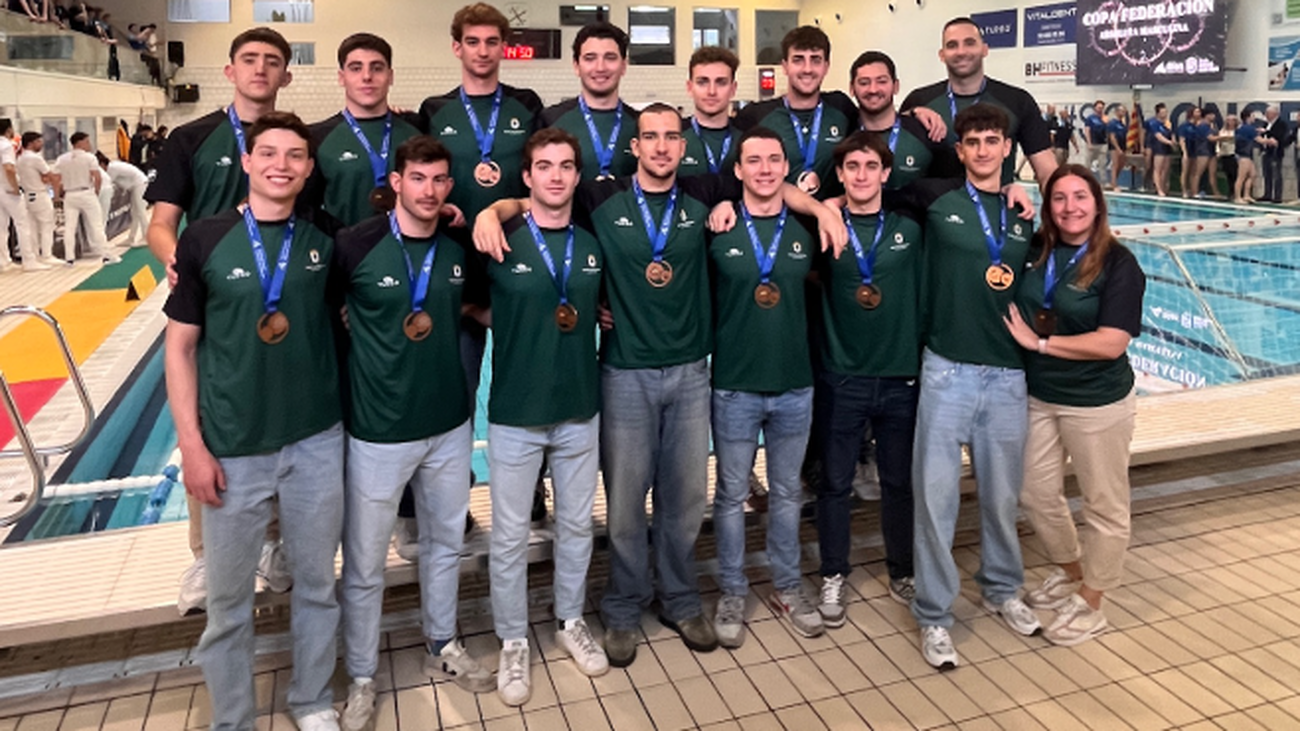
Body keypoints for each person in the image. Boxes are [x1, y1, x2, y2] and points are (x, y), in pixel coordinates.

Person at [474, 103, 845, 668]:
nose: (663, 146)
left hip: (693, 374)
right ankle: (623, 606)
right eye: (651, 137)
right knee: (624, 505)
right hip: (624, 373)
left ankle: (678, 598)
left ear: (683, 145)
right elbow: (545, 198)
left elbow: (772, 188)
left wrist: (821, 208)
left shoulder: (705, 194)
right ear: (636, 146)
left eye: (672, 136)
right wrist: (496, 208)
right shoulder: (603, 198)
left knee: (685, 500)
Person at [163, 111, 344, 731]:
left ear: (308, 168)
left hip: (317, 441)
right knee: (228, 603)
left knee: (318, 587)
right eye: (268, 153)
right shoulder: (205, 239)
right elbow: (180, 347)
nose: (281, 165)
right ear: (246, 160)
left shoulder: (324, 239)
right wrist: (191, 445)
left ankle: (313, 699)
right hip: (234, 445)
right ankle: (233, 719)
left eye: (295, 156)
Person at [334, 136, 494, 731]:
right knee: (366, 562)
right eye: (418, 179)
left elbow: (478, 309)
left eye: (440, 180)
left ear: (450, 187)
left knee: (445, 544)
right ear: (396, 183)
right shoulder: (355, 246)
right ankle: (361, 675)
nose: (429, 190)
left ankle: (443, 643)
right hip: (377, 432)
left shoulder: (456, 250)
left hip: (450, 425)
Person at [145, 27, 294, 615]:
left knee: (282, 420)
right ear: (230, 71)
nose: (261, 69)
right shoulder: (192, 138)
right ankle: (207, 555)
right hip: (216, 300)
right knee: (205, 420)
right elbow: (161, 223)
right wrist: (178, 263)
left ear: (286, 75)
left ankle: (274, 544)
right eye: (250, 60)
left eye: (273, 62)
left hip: (281, 305)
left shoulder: (292, 141)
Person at [478, 128, 609, 707]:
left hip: (580, 408)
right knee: (509, 537)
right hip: (514, 412)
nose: (555, 176)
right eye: (543, 167)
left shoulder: (591, 242)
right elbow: (463, 301)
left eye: (565, 166)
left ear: (576, 177)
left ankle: (570, 618)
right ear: (525, 178)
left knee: (577, 526)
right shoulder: (498, 239)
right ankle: (511, 639)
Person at [909, 104, 1039, 670]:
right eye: (974, 142)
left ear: (1007, 148)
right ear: (959, 151)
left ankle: (1003, 588)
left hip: (1008, 373)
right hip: (947, 370)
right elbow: (868, 192)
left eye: (993, 140)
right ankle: (935, 615)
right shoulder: (936, 199)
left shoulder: (1025, 215)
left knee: (1002, 497)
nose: (984, 149)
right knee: (935, 501)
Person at [419, 1, 547, 544]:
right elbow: (421, 176)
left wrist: (502, 208)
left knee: (528, 384)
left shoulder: (526, 104)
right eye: (472, 42)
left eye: (492, 42)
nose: (482, 51)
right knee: (456, 390)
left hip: (518, 266)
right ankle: (454, 498)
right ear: (457, 47)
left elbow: (541, 180)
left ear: (503, 47)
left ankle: (534, 487)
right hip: (455, 274)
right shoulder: (435, 109)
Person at [1004, 164, 1145, 646]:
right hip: (1041, 397)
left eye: (1079, 197)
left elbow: (1111, 343)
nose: (1070, 208)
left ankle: (1093, 600)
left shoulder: (1119, 263)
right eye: (1059, 199)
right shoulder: (1039, 251)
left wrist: (1040, 345)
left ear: (1097, 204)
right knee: (1034, 493)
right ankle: (1072, 571)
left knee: (1105, 506)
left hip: (1096, 402)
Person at [708, 126, 822, 646]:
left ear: (785, 167)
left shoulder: (806, 229)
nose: (765, 169)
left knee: (786, 493)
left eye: (774, 160)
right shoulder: (719, 228)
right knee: (731, 495)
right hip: (734, 383)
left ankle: (788, 585)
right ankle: (732, 588)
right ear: (738, 171)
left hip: (795, 384)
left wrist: (826, 210)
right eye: (753, 161)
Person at [813, 130, 926, 627]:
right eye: (851, 167)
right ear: (840, 175)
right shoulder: (822, 226)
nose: (861, 175)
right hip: (843, 377)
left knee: (899, 482)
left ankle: (902, 569)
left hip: (901, 376)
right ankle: (834, 573)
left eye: (870, 167)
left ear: (886, 173)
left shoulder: (910, 229)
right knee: (835, 484)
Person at [900, 17, 1056, 186]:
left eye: (969, 43)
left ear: (984, 49)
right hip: (932, 209)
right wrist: (908, 114)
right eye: (952, 45)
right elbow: (886, 151)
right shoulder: (919, 101)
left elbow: (1046, 172)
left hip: (996, 211)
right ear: (942, 55)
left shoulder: (1017, 101)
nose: (961, 52)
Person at [309, 33, 423, 227]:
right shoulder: (317, 137)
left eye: (377, 68)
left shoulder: (417, 129)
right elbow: (308, 209)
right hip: (342, 252)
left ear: (391, 76)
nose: (367, 76)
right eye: (356, 68)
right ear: (341, 77)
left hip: (409, 253)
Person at [733, 26, 857, 199]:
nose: (807, 69)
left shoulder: (842, 107)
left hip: (833, 220)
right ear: (784, 66)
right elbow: (734, 172)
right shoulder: (756, 115)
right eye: (798, 60)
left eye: (815, 60)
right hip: (777, 222)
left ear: (826, 67)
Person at [542, 21, 639, 182]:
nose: (600, 67)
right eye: (590, 58)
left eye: (610, 57)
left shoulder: (641, 124)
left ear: (623, 66)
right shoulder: (549, 120)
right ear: (576, 66)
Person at [849, 50, 946, 190]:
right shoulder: (845, 131)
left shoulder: (925, 133)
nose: (873, 89)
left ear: (896, 86)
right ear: (852, 88)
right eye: (864, 83)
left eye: (881, 81)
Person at [55, 132, 120, 266]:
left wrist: (57, 195)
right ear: (80, 143)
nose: (89, 144)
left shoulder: (62, 159)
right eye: (87, 141)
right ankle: (106, 255)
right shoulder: (89, 158)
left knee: (70, 227)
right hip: (86, 192)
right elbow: (97, 177)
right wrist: (95, 192)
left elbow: (56, 178)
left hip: (69, 195)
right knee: (96, 225)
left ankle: (69, 258)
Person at [679, 46, 739, 179]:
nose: (711, 91)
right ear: (689, 87)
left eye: (721, 83)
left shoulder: (747, 138)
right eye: (702, 82)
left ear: (733, 89)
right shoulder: (674, 137)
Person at [15, 132, 61, 268]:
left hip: (27, 195)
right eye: (39, 141)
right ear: (31, 143)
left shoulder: (20, 158)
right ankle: (47, 255)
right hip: (39, 194)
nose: (42, 144)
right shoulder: (35, 158)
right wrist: (56, 194)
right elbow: (50, 175)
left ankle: (35, 255)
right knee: (47, 225)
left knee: (32, 227)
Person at [0, 120, 41, 272]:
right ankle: (29, 260)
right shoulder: (6, 146)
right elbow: (9, 168)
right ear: (9, 130)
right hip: (8, 189)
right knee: (23, 224)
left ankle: (3, 261)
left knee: (1, 227)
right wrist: (15, 188)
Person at [97, 152, 150, 246]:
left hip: (140, 184)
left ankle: (147, 237)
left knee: (140, 212)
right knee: (134, 213)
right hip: (135, 186)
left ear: (102, 164)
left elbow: (107, 183)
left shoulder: (111, 169)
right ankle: (131, 238)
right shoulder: (112, 167)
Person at [1259, 105, 1289, 203]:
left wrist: (1267, 132)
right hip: (1266, 152)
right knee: (1266, 174)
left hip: (1275, 153)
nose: (1266, 115)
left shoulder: (1281, 124)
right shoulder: (1265, 124)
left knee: (1276, 174)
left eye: (1268, 113)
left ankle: (1277, 196)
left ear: (1275, 114)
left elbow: (1279, 136)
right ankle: (1267, 193)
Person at [1145, 104, 1173, 197]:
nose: (1164, 114)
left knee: (1165, 170)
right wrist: (1169, 142)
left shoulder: (1167, 123)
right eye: (1162, 112)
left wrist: (1173, 142)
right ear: (1157, 113)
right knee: (1158, 169)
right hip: (1158, 147)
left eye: (1166, 112)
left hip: (1167, 149)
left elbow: (1171, 134)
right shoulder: (1154, 123)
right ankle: (1158, 188)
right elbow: (1158, 136)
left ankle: (1162, 186)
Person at [1234, 114, 1261, 204]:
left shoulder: (1241, 127)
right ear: (1248, 117)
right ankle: (1237, 197)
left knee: (1252, 174)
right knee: (1241, 177)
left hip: (1246, 154)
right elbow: (1259, 140)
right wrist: (1271, 141)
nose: (1255, 118)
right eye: (1253, 116)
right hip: (1243, 154)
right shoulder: (1249, 128)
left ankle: (1246, 195)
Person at [1213, 114, 1239, 201]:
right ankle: (1230, 192)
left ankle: (1236, 192)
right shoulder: (1223, 131)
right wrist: (1218, 152)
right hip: (1225, 154)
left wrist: (1226, 138)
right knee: (1228, 175)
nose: (1230, 122)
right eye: (1228, 120)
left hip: (1233, 154)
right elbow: (1219, 142)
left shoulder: (1237, 131)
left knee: (1235, 174)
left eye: (1232, 120)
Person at [1176, 107, 1200, 197]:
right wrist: (1184, 152)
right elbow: (1182, 140)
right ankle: (1184, 190)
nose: (1199, 113)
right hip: (1186, 150)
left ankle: (1193, 191)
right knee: (1185, 172)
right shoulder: (1184, 126)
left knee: (1193, 172)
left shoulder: (1197, 126)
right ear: (1192, 113)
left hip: (1194, 151)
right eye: (1197, 112)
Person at [1082, 100, 1108, 183]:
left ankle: (1103, 182)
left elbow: (1108, 131)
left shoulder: (1105, 118)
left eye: (1102, 108)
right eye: (1099, 107)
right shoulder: (1090, 118)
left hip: (1102, 144)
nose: (1100, 109)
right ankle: (1086, 180)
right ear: (1095, 108)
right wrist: (1089, 143)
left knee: (1102, 164)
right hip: (1092, 143)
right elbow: (1087, 130)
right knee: (1088, 163)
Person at [1106, 105, 1129, 191]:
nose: (1123, 113)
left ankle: (1113, 181)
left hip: (1122, 146)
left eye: (1124, 112)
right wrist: (1117, 148)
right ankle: (1114, 184)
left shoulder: (1122, 124)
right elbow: (1112, 137)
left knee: (1121, 165)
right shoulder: (1112, 123)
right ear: (1116, 112)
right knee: (1115, 165)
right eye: (1121, 111)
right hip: (1114, 147)